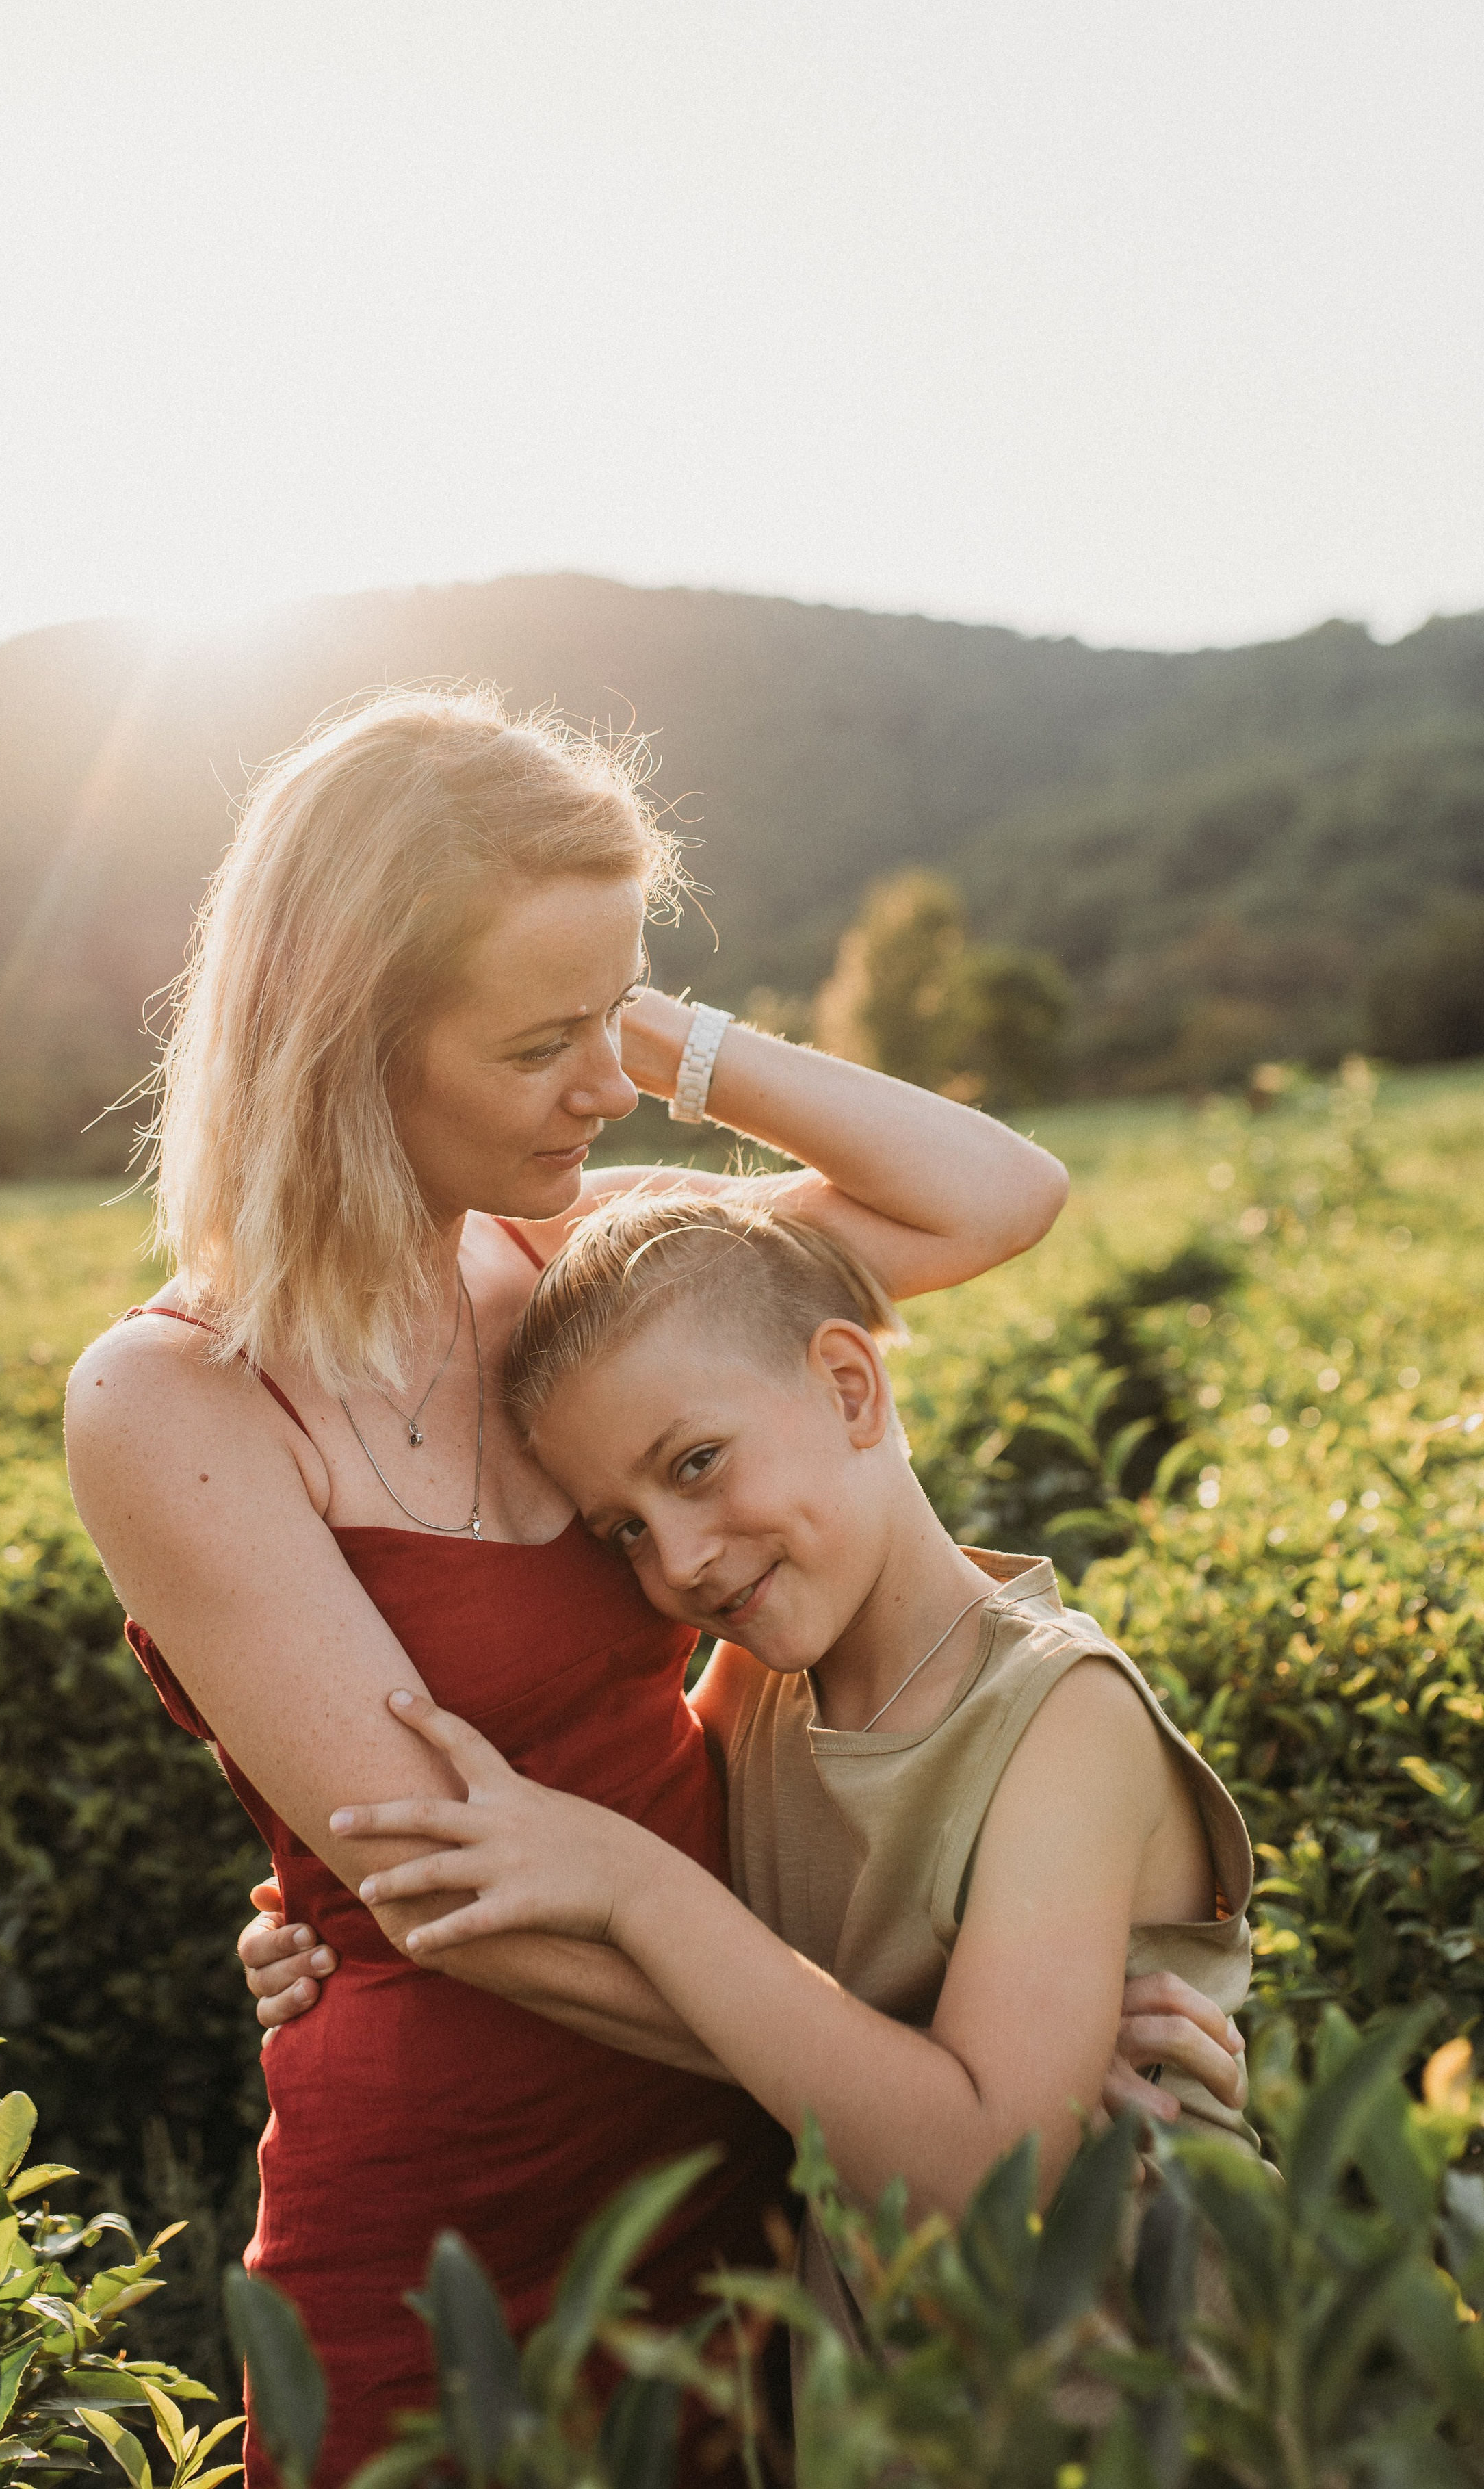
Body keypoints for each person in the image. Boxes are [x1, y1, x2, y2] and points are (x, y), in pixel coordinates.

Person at [64, 688, 1206, 2482]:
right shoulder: (174, 1396)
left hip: (762, 2165)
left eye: (614, 1016)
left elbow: (993, 1193)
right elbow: (455, 1895)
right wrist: (922, 2070)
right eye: (540, 1043)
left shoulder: (584, 1257)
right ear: (342, 1042)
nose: (600, 1087)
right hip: (464, 2204)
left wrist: (643, 1023)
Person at [298, 1188, 1255, 2336]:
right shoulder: (754, 1692)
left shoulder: (1064, 1717)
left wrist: (635, 1886)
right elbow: (686, 1935)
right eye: (625, 1531)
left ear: (850, 1387)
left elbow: (982, 2183)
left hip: (1134, 2388)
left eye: (696, 1463)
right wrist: (321, 1929)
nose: (678, 1562)